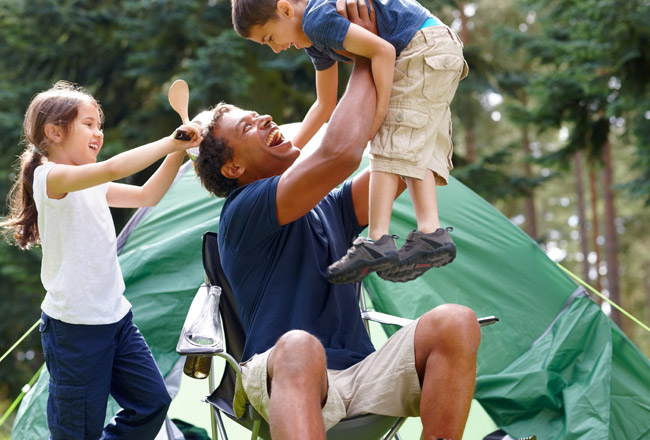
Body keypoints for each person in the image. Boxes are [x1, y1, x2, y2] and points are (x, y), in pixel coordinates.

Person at [194, 7, 480, 439]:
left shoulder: (328, 207)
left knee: (456, 322)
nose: (266, 119)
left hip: (362, 371)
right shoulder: (243, 211)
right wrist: (363, 47)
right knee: (299, 346)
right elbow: (341, 154)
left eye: (257, 114)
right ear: (234, 168)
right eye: (249, 126)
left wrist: (419, 84)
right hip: (286, 373)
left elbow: (401, 168)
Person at [0, 81, 202, 439]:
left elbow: (147, 195)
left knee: (153, 403)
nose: (99, 132)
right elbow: (112, 169)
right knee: (77, 432)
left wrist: (178, 152)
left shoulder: (88, 182)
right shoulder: (52, 177)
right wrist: (172, 141)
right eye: (89, 124)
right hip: (75, 332)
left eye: (99, 125)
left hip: (117, 319)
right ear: (55, 131)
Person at [231, 0, 469, 283]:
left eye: (270, 38)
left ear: (285, 10)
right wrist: (291, 153)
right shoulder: (314, 39)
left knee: (388, 140)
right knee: (411, 145)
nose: (276, 48)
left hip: (420, 47)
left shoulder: (316, 19)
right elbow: (324, 104)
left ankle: (378, 239)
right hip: (436, 48)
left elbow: (383, 50)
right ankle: (430, 234)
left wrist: (379, 115)